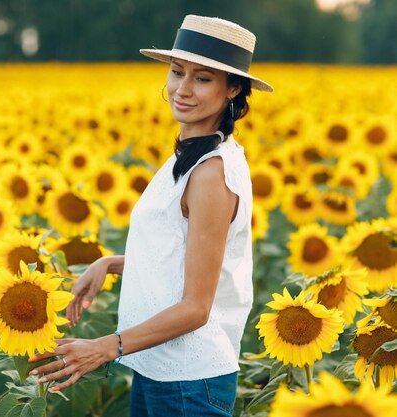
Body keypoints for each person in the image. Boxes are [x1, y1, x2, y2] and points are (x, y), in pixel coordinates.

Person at [28, 15, 273, 417]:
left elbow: (197, 306)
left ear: (232, 89)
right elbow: (182, 257)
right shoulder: (194, 153)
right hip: (158, 367)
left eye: (203, 78)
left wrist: (105, 346)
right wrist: (110, 263)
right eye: (178, 73)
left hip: (189, 382)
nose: (183, 89)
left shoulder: (211, 172)